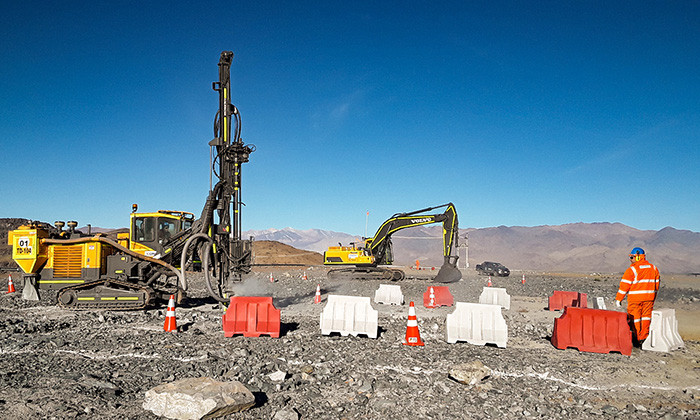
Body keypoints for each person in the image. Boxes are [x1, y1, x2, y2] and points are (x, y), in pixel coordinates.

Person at [615, 247, 660, 343]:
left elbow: (624, 286)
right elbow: (656, 285)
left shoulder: (632, 270)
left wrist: (619, 299)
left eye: (632, 257)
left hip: (635, 299)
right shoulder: (653, 268)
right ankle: (644, 338)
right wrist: (653, 297)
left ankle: (636, 338)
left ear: (638, 257)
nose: (630, 260)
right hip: (649, 298)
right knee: (646, 318)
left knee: (635, 318)